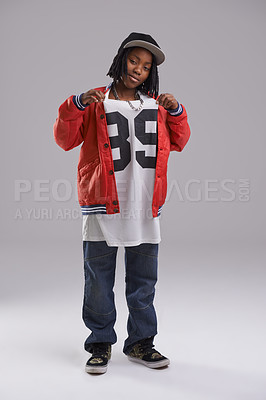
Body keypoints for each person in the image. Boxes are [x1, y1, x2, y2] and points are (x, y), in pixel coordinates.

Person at [53, 32, 190, 374]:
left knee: (144, 280)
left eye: (146, 66)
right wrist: (76, 104)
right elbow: (64, 139)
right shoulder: (96, 102)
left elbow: (180, 140)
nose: (139, 70)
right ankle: (100, 342)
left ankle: (141, 343)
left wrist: (176, 112)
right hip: (102, 203)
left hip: (144, 205)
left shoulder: (156, 105)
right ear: (120, 59)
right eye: (134, 61)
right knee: (98, 280)